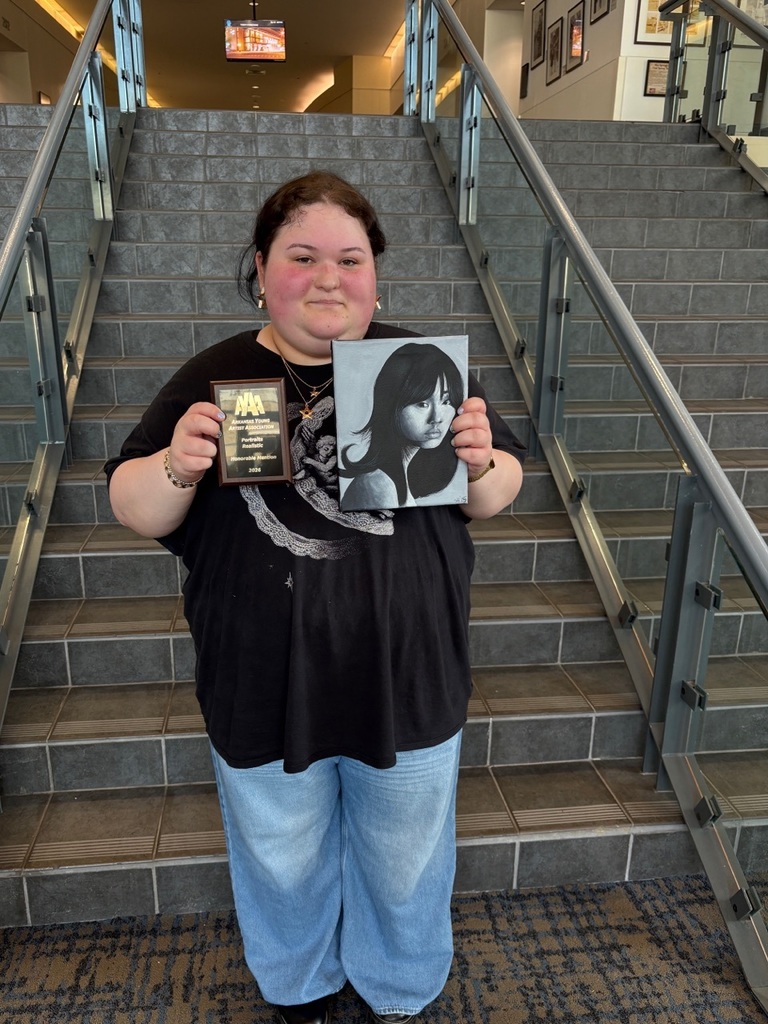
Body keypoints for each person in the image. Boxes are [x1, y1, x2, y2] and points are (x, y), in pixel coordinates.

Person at [105, 170, 526, 1024]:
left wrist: (482, 460)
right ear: (261, 269)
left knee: (406, 853)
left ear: (375, 274)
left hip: (407, 673)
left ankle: (398, 987)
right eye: (302, 257)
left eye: (350, 258)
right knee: (280, 852)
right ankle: (298, 987)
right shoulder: (216, 373)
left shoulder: (420, 367)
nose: (329, 277)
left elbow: (494, 492)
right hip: (261, 677)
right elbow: (132, 505)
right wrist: (180, 462)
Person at [339, 341, 464, 510]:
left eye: (446, 401)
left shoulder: (394, 479)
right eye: (422, 403)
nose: (437, 418)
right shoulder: (377, 484)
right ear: (391, 404)